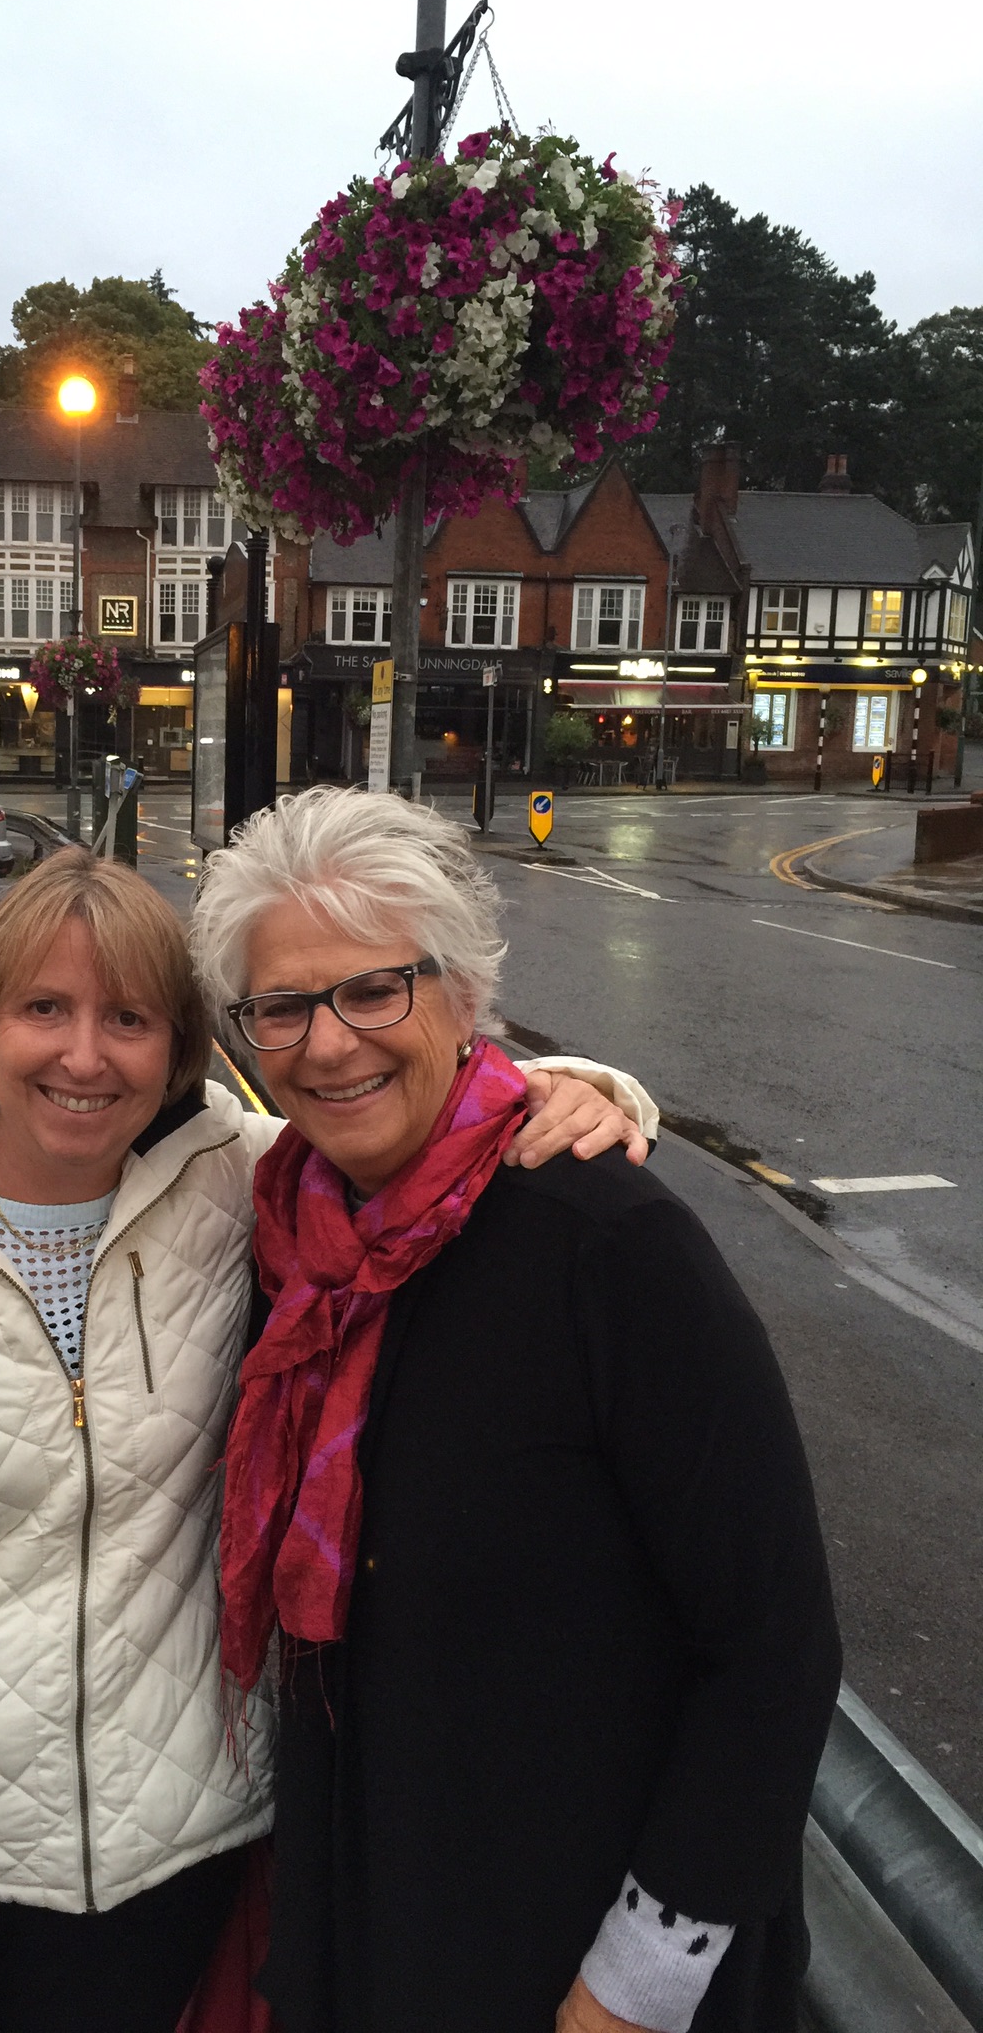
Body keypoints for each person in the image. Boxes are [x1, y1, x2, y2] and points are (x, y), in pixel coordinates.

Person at [0, 846, 653, 2033]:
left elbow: (413, 1123)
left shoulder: (238, 1178)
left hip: (172, 1840)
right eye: (44, 1008)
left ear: (180, 1050)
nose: (84, 1055)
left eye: (130, 1018)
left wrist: (585, 1091)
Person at [189, 787, 842, 2033]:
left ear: (463, 995)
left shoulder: (608, 1244)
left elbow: (775, 1642)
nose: (328, 1043)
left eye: (375, 989)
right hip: (381, 1917)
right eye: (283, 1005)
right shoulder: (290, 1247)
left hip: (584, 1949)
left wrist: (636, 1980)